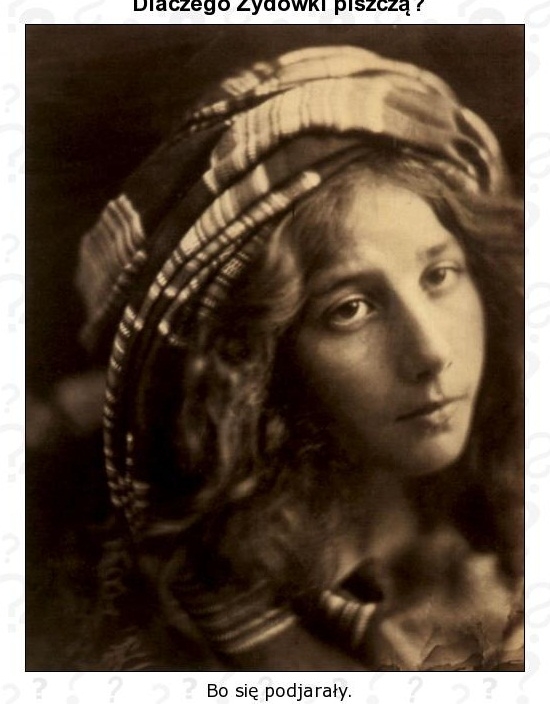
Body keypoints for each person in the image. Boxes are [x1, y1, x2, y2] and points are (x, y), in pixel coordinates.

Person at [75, 45, 524, 671]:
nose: (432, 352)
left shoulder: (512, 513)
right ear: (258, 361)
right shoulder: (184, 632)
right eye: (350, 309)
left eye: (439, 275)